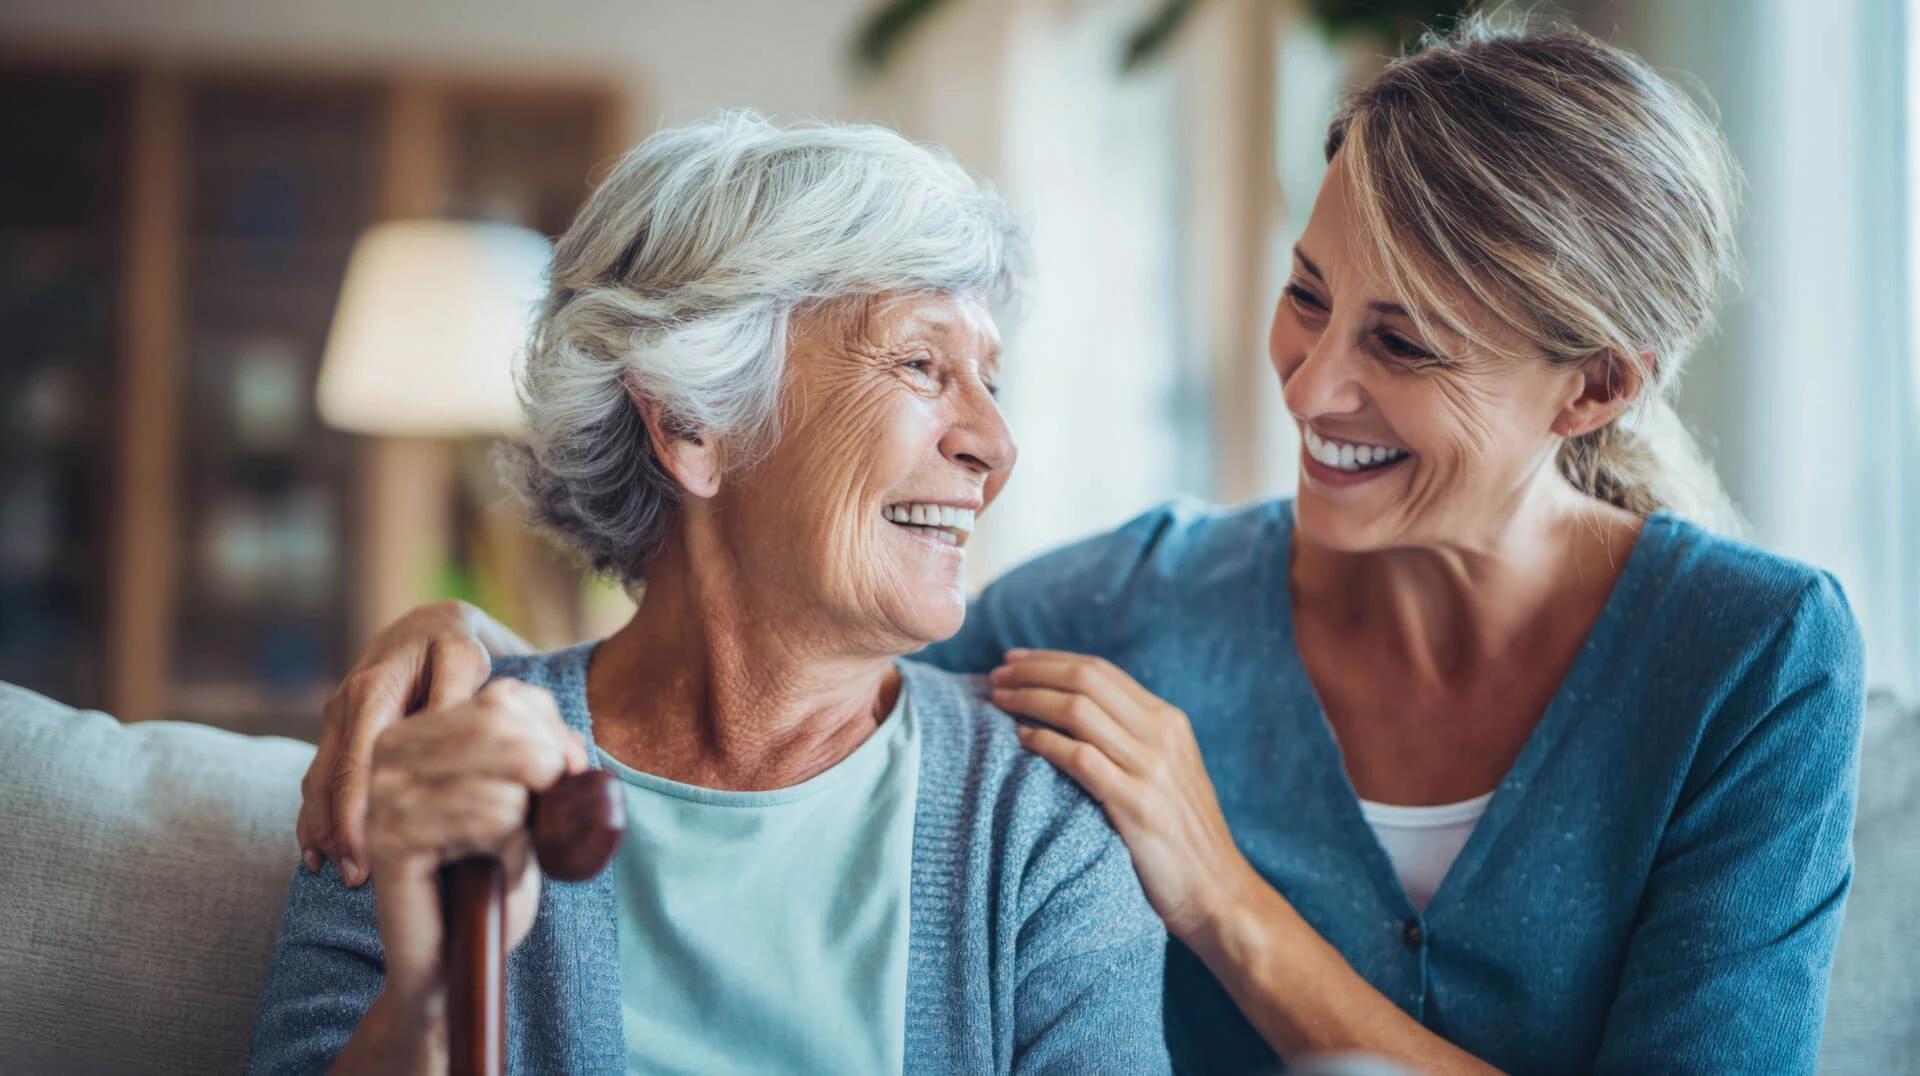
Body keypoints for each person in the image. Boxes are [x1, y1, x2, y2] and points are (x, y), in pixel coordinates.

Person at [297, 19, 1865, 1074]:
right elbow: (775, 678)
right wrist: (460, 644)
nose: (1315, 387)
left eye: (1409, 343)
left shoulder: (1754, 654)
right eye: (1309, 294)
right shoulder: (1109, 614)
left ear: (1593, 386)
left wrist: (1228, 902)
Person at [249, 112, 1171, 1075]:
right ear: (692, 424)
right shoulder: (441, 765)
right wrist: (430, 1007)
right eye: (920, 364)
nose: (995, 443)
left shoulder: (1035, 820)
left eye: (990, 380)